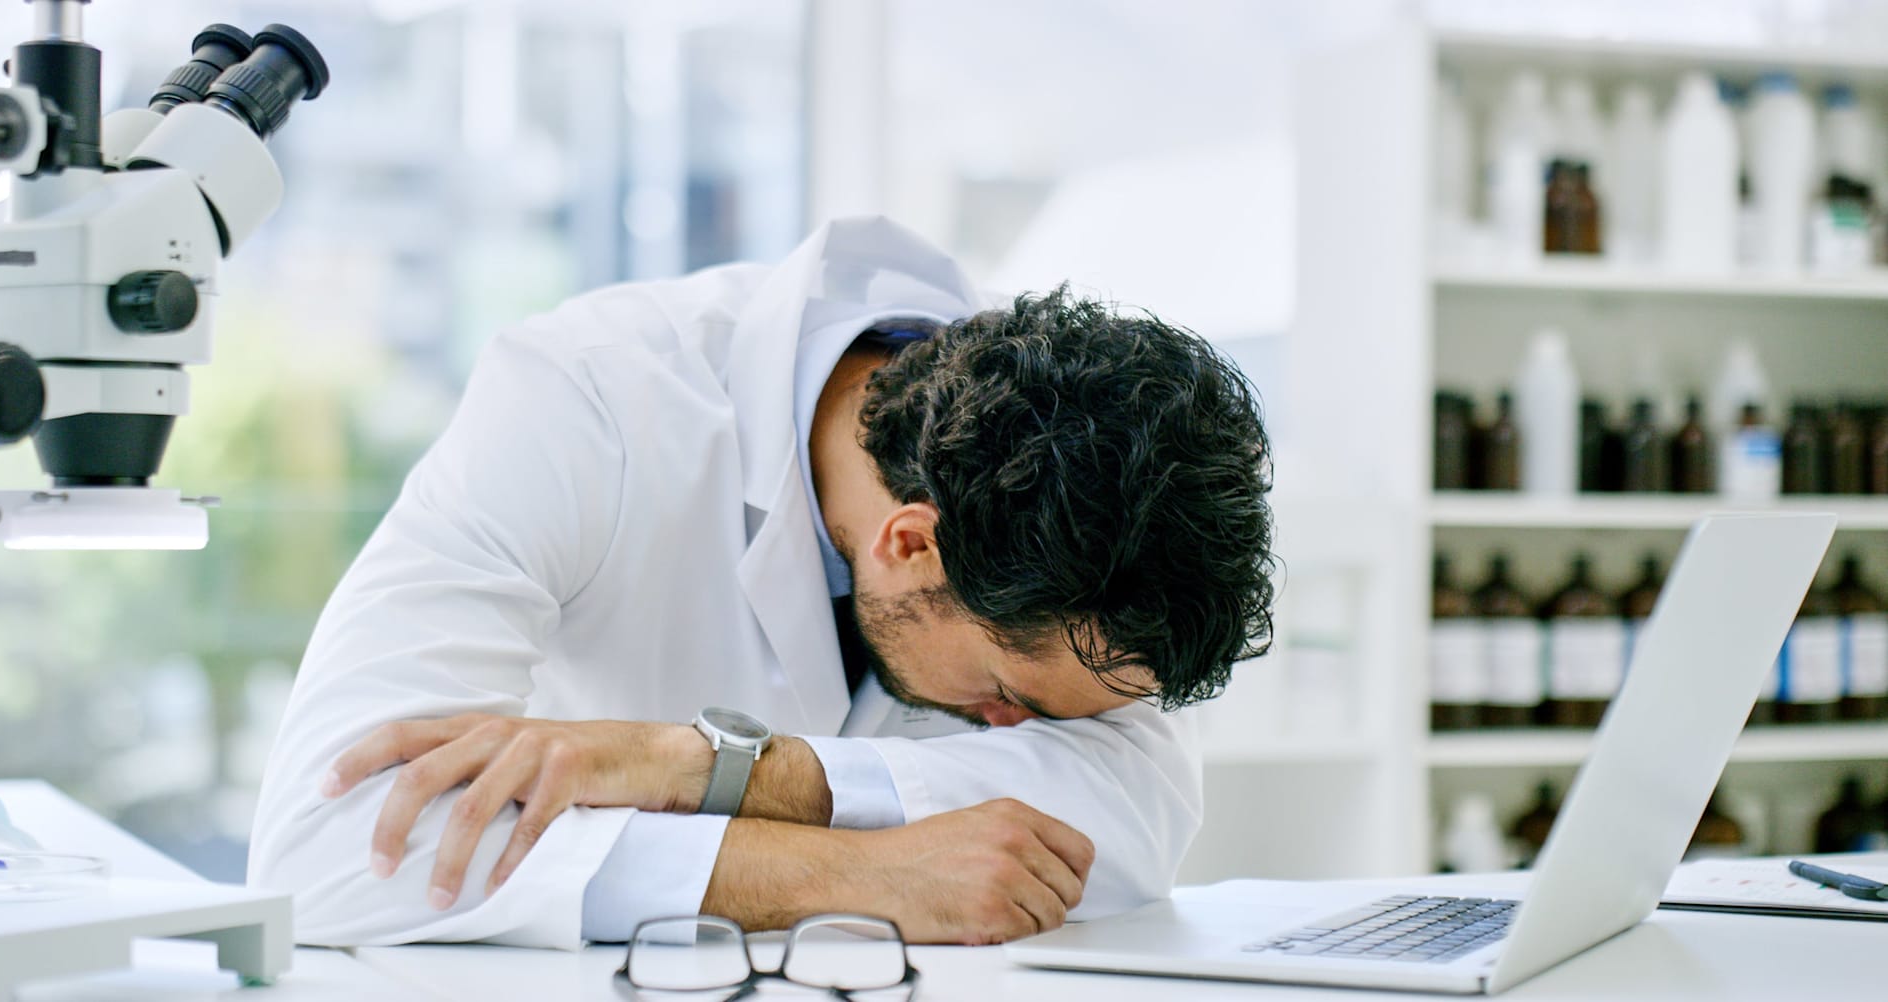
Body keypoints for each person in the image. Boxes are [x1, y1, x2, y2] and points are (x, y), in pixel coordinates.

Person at [247, 216, 1275, 949]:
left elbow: (1134, 814)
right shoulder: (587, 400)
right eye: (1010, 694)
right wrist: (845, 876)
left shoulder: (1089, 456)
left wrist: (697, 768)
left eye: (1045, 722)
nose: (1015, 730)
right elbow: (325, 853)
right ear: (910, 545)